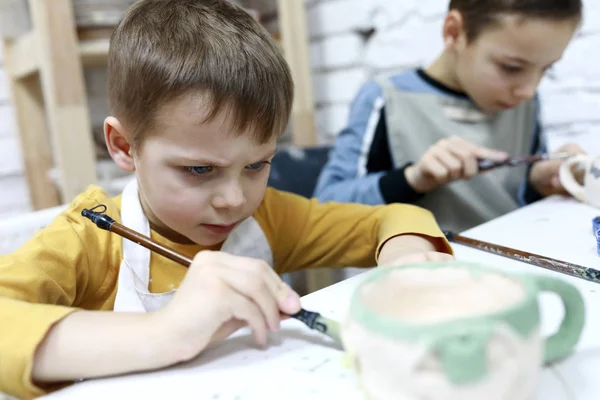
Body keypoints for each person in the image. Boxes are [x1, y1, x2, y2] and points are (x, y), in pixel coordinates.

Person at [0, 1, 455, 398]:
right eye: (199, 170)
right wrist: (164, 333)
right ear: (123, 146)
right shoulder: (89, 240)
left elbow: (392, 217)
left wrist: (407, 259)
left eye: (258, 165)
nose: (236, 200)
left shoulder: (269, 217)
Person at [313, 0, 585, 233]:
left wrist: (538, 182)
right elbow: (325, 210)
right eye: (511, 68)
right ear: (454, 32)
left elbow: (515, 200)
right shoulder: (385, 99)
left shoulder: (525, 100)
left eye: (546, 69)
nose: (528, 90)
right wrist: (412, 178)